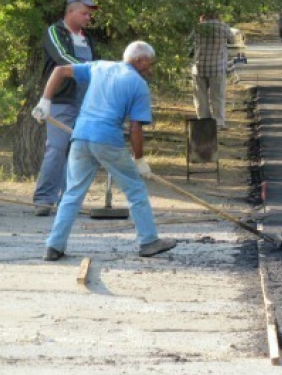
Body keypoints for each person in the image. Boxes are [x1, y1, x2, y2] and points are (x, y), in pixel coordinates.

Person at [32, 41, 177, 260]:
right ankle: (148, 241)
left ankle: (54, 246)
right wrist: (139, 160)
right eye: (150, 64)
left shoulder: (100, 66)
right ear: (141, 60)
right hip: (108, 140)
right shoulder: (138, 85)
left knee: (72, 193)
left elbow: (59, 70)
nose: (151, 69)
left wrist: (45, 102)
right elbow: (135, 128)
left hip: (80, 137)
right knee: (135, 190)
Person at [32, 0, 100, 217]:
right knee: (57, 148)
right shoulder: (55, 32)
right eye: (84, 13)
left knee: (79, 151)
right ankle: (44, 199)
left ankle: (67, 200)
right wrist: (93, 70)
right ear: (70, 11)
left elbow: (96, 63)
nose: (88, 18)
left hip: (85, 101)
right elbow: (63, 59)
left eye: (89, 15)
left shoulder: (87, 38)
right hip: (62, 100)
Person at [190, 11, 232, 129]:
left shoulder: (198, 28)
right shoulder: (223, 27)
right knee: (217, 96)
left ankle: (204, 121)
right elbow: (232, 40)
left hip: (199, 67)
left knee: (200, 97)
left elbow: (188, 41)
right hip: (217, 67)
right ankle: (218, 122)